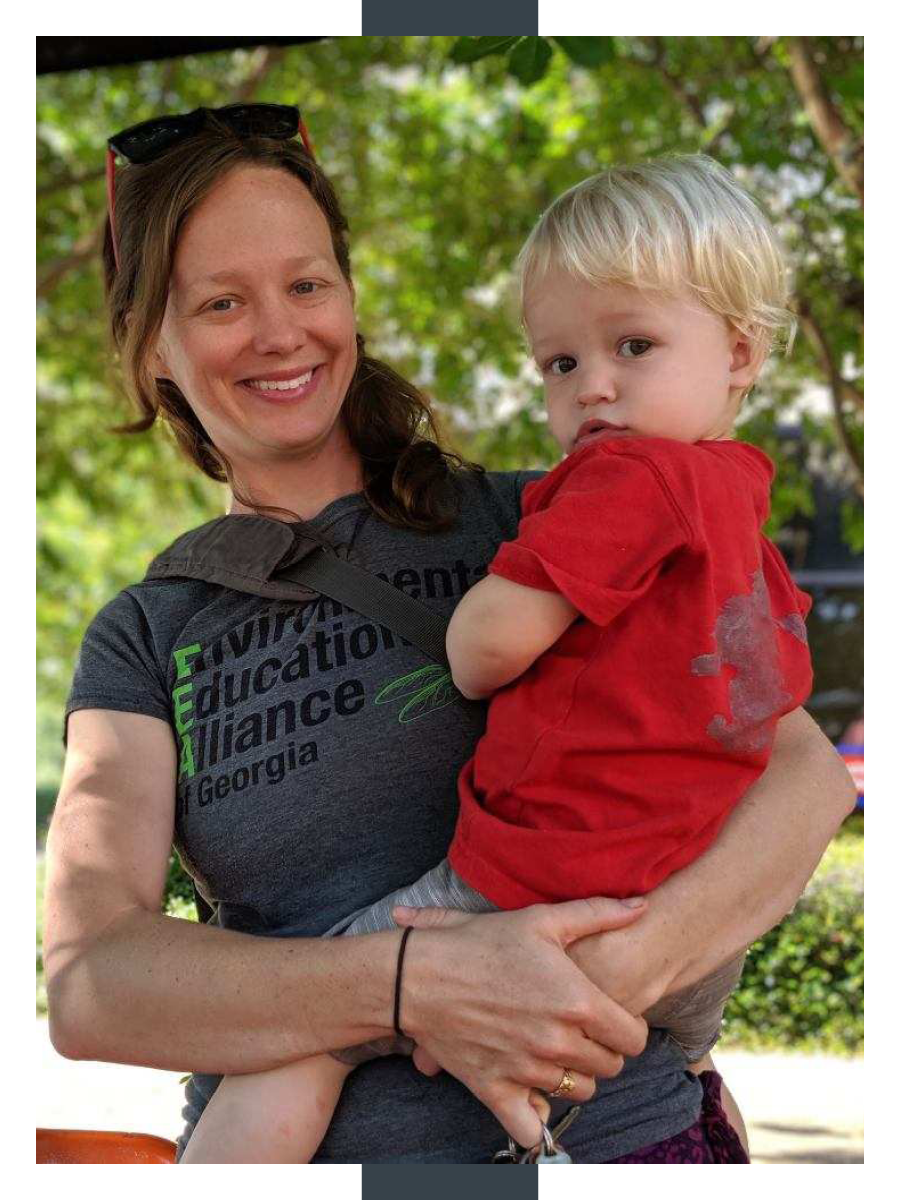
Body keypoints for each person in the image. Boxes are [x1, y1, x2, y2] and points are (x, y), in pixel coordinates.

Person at [43, 106, 856, 1166]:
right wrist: (416, 990)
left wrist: (581, 989)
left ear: (348, 296)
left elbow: (800, 780)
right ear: (153, 344)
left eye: (307, 284)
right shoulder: (147, 633)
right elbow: (95, 985)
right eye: (221, 302)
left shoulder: (555, 514)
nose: (281, 331)